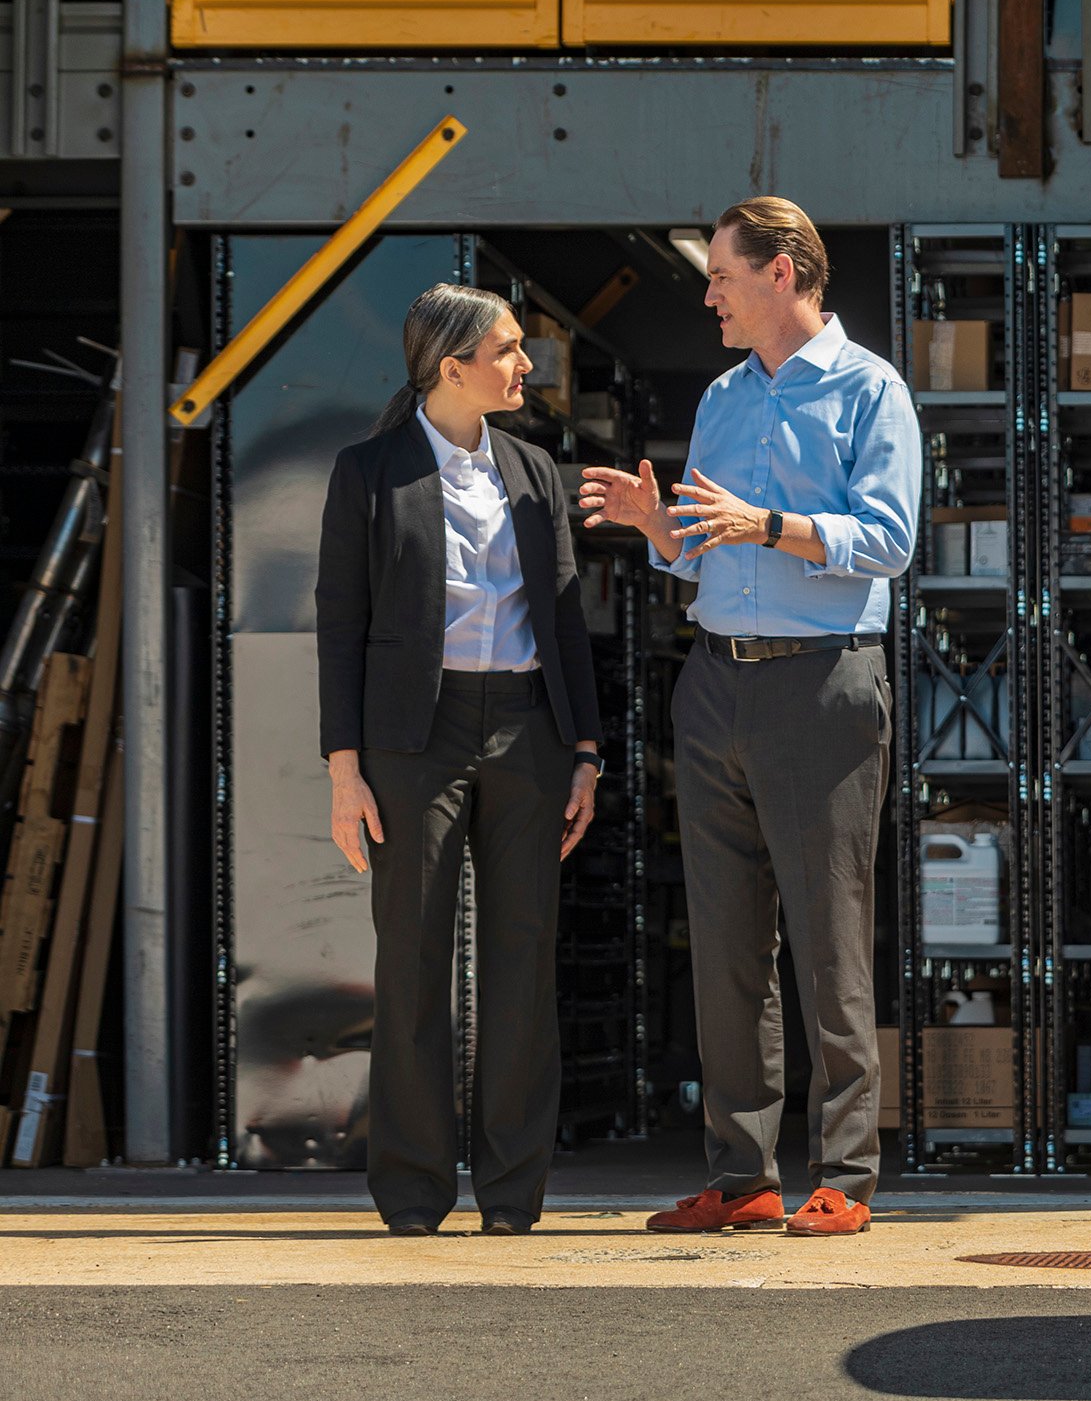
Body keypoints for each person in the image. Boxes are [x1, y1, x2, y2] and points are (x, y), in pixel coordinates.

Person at [580, 197, 920, 1237]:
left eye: (723, 274)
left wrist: (766, 523)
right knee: (724, 936)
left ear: (782, 273)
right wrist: (658, 529)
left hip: (823, 681)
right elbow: (701, 542)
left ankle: (847, 1175)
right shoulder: (724, 396)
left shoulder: (872, 390)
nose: (709, 293)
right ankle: (742, 1176)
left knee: (827, 932)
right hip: (716, 677)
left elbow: (890, 537)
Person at [316, 284, 604, 1236]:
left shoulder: (534, 470)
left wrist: (587, 754)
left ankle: (514, 1196)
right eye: (510, 349)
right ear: (453, 367)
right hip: (411, 739)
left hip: (529, 728)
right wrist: (343, 770)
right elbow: (340, 628)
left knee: (522, 967)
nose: (527, 365)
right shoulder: (369, 473)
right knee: (411, 960)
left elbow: (564, 620)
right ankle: (410, 1192)